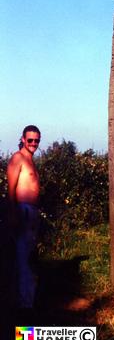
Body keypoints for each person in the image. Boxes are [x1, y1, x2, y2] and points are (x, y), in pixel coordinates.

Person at [7, 125, 41, 310]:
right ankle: (24, 306)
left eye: (36, 140)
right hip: (22, 212)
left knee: (28, 257)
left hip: (32, 214)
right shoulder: (17, 159)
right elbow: (10, 189)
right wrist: (13, 213)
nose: (33, 143)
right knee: (23, 258)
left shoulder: (31, 160)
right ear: (23, 139)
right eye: (30, 140)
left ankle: (23, 301)